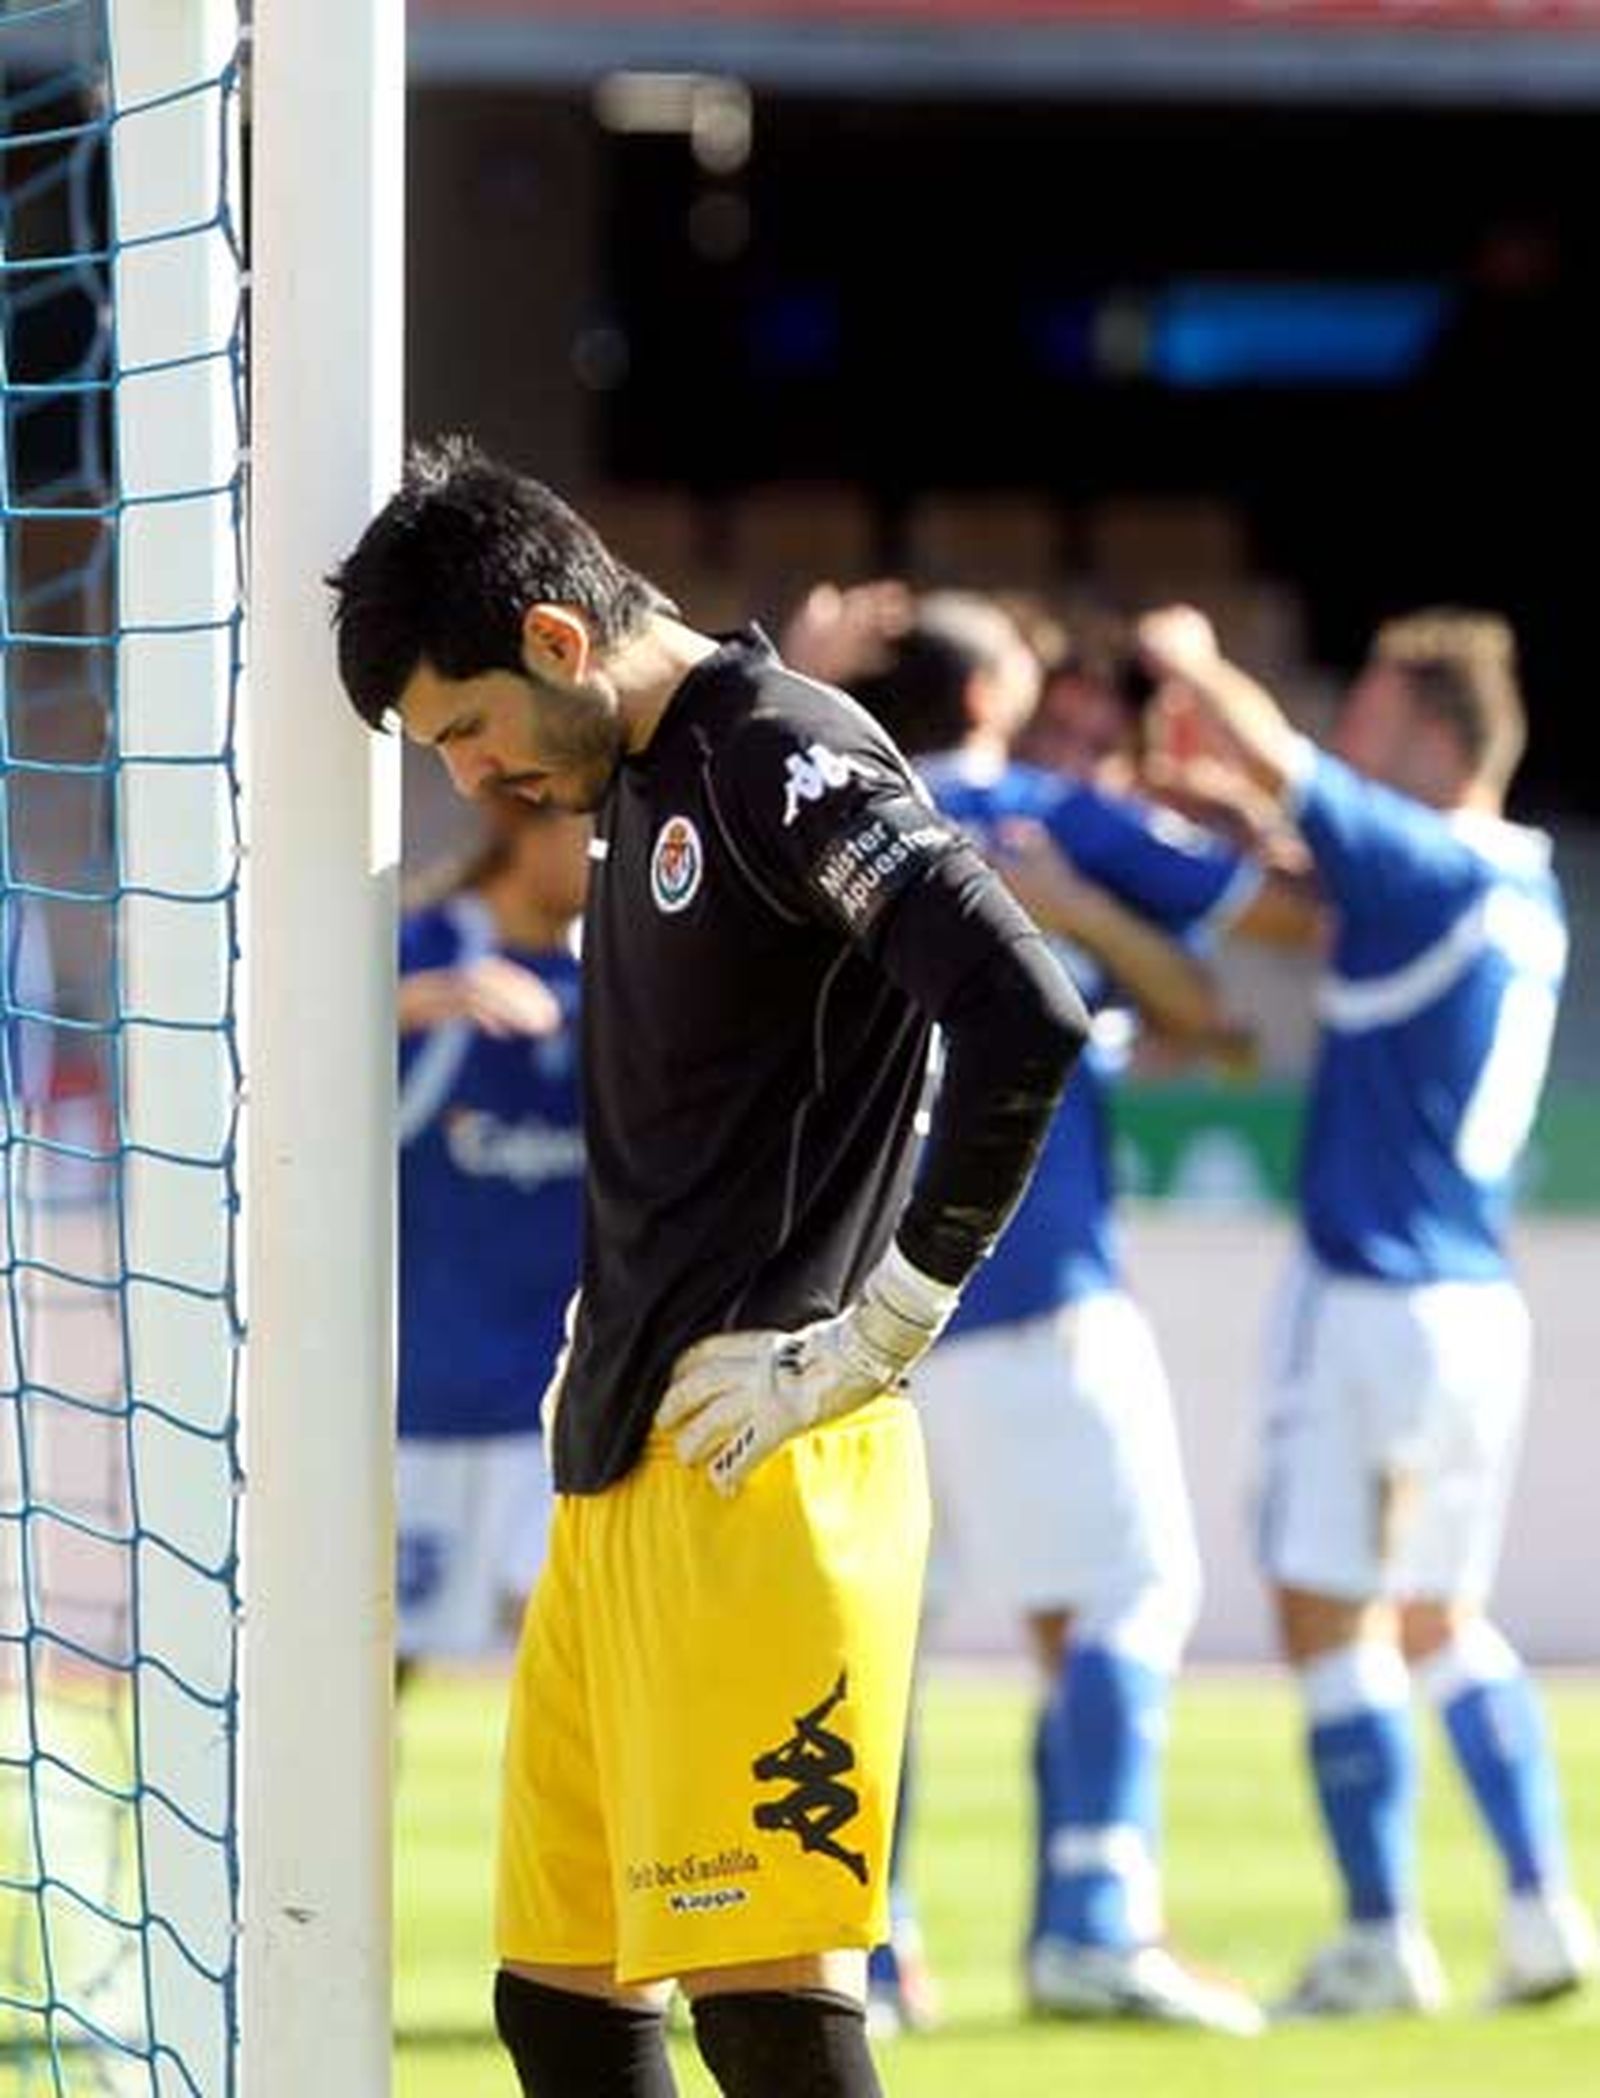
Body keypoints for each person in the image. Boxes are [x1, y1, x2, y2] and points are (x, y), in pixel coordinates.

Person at [329, 438, 1088, 2098]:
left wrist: (878, 1328)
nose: (469, 781)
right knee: (564, 2004)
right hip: (616, 1467)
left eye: (464, 732)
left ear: (553, 639)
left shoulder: (778, 755)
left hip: (763, 1463)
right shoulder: (637, 780)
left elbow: (1025, 1009)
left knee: (770, 2014)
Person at [844, 590, 1295, 2035]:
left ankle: (869, 1946)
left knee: (882, 1634)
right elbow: (1278, 927)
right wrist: (1103, 894)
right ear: (987, 696)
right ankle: (1094, 1923)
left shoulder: (819, 817)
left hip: (858, 1301)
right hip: (1028, 1280)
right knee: (1126, 1594)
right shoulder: (1038, 811)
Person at [1138, 603, 1597, 2017]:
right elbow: (1326, 867)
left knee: (1325, 1608)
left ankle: (1381, 1931)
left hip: (1370, 1299)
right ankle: (1539, 1913)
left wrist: (1190, 658)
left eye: (1374, 717)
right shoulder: (1518, 884)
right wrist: (1232, 814)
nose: (1349, 737)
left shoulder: (1428, 859)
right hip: (1473, 1298)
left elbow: (1293, 776)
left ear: (1432, 735)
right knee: (1444, 1619)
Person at [396, 799, 588, 1688]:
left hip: (549, 1414)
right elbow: (269, 1039)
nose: (605, 857)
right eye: (590, 834)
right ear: (524, 828)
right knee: (359, 1698)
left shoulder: (626, 980)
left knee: (574, 1676)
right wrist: (423, 1003)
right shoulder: (426, 949)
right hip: (413, 1405)